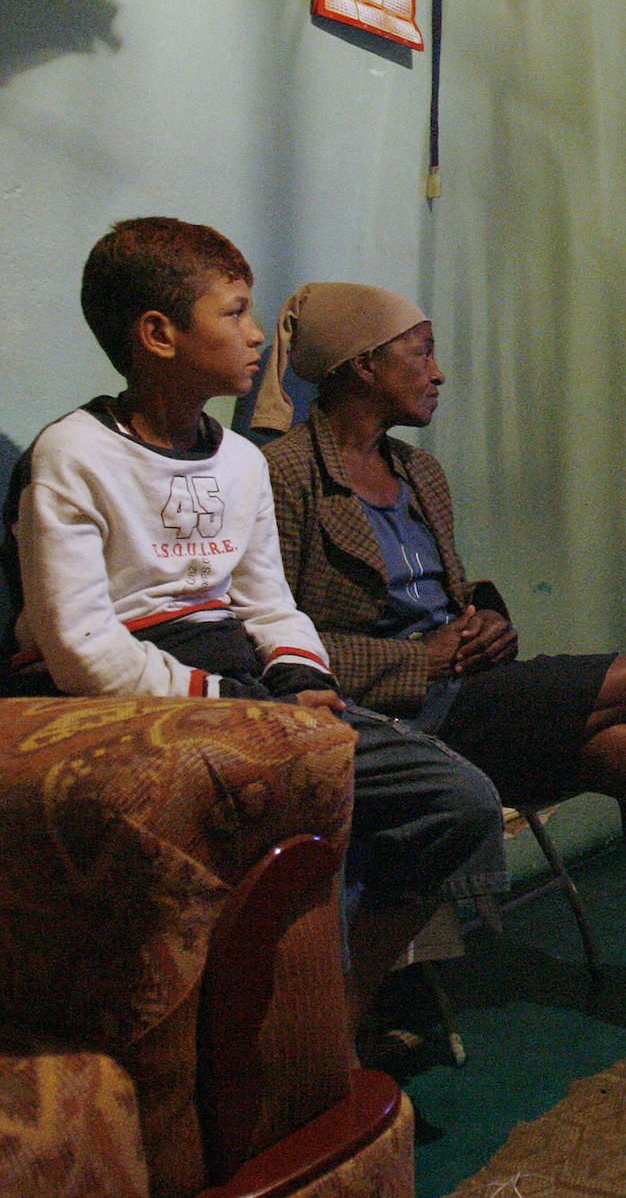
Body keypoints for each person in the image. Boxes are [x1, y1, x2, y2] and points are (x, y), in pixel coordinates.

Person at [256, 282, 626, 1057]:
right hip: (394, 716)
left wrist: (492, 622)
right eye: (421, 351)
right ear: (363, 366)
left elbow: (452, 597)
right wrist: (415, 658)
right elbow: (274, 635)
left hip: (469, 696)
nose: (439, 371)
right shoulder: (285, 476)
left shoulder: (417, 472)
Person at [0, 217, 505, 1034]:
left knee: (458, 799)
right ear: (159, 334)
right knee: (264, 808)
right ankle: (257, 1033)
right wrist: (236, 698)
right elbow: (80, 645)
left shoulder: (237, 461)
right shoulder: (74, 455)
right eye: (233, 313)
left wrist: (301, 680)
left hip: (239, 675)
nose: (256, 335)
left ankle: (342, 1012)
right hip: (136, 688)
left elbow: (268, 602)